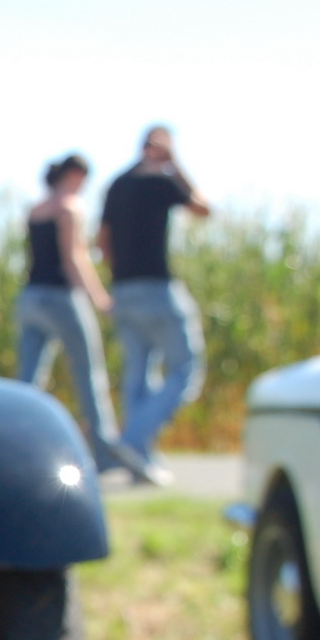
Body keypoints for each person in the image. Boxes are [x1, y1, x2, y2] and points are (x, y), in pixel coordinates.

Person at [98, 125, 212, 484]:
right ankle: (132, 440)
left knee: (139, 374)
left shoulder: (116, 184)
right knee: (186, 368)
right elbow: (202, 209)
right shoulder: (162, 182)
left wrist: (119, 277)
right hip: (157, 289)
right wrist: (175, 165)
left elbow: (102, 241)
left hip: (124, 289)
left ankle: (139, 461)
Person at [13, 153, 130, 475]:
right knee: (89, 375)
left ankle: (15, 441)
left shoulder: (36, 209)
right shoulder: (70, 208)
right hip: (61, 298)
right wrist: (100, 299)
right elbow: (73, 257)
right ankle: (104, 453)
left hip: (30, 298)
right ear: (75, 175)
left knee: (28, 381)